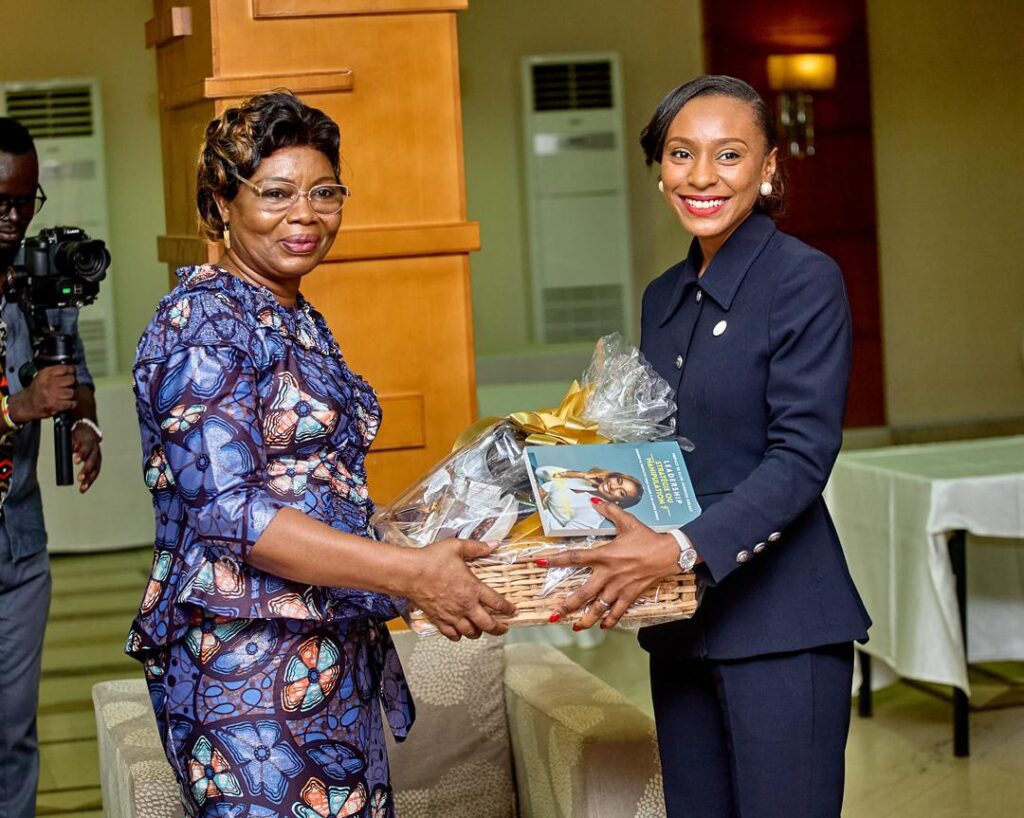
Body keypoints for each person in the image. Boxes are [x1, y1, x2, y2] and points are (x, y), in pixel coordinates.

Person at [125, 91, 514, 817]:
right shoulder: (203, 322)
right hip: (247, 676)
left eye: (325, 192)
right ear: (223, 201)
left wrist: (438, 539)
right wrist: (411, 574)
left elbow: (315, 488)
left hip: (328, 656)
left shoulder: (293, 314)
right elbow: (234, 517)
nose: (305, 215)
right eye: (276, 193)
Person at [542, 75, 871, 817]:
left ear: (768, 166)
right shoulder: (663, 296)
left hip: (782, 622)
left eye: (728, 155)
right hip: (683, 623)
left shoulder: (804, 279)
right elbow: (656, 452)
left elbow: (801, 457)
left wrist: (679, 548)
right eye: (681, 153)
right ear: (660, 169)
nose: (701, 176)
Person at [0, 117, 102, 818]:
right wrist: (19, 408)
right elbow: (29, 402)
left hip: (20, 544)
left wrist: (84, 421)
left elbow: (76, 375)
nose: (14, 219)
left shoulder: (36, 280)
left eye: (25, 201)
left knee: (13, 730)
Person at [534, 465, 643, 531]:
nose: (613, 486)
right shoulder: (588, 482)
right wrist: (581, 475)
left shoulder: (594, 515)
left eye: (621, 493)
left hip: (532, 516)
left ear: (619, 502)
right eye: (618, 481)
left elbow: (559, 535)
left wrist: (542, 505)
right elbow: (541, 472)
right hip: (529, 491)